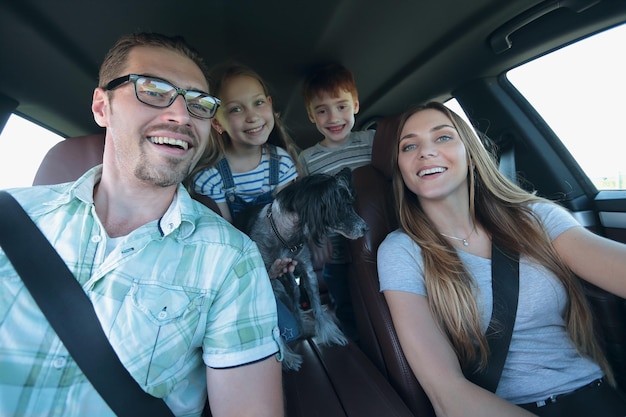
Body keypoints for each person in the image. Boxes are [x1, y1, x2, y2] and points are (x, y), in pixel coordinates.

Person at [0, 33, 283, 417]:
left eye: (199, 104)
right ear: (102, 107)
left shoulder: (232, 260)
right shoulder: (11, 215)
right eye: (152, 90)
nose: (182, 116)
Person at [377, 101, 626, 416]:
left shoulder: (535, 218)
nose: (425, 151)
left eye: (442, 137)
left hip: (595, 394)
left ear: (471, 152)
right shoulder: (402, 251)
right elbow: (447, 394)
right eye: (409, 145)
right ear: (400, 167)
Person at [189, 62, 302, 342]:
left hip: (279, 258)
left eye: (258, 103)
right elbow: (230, 242)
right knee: (284, 333)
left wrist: (284, 258)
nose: (252, 116)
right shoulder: (211, 177)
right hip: (243, 272)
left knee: (294, 328)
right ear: (217, 122)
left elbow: (289, 223)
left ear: (270, 105)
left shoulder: (282, 163)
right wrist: (263, 268)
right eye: (236, 109)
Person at [298, 63, 375, 341]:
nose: (334, 117)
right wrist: (318, 240)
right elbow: (310, 208)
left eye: (341, 106)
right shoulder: (308, 159)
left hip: (379, 244)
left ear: (355, 105)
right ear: (311, 115)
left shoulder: (371, 142)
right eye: (322, 110)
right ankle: (358, 350)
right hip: (338, 254)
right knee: (347, 306)